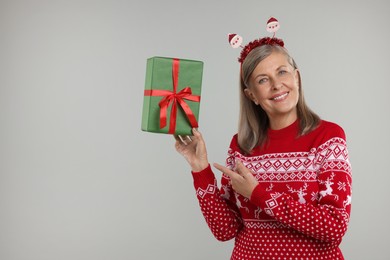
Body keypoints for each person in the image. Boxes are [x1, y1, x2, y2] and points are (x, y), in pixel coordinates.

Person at [175, 31, 352, 259]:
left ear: (296, 77)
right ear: (252, 95)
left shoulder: (328, 137)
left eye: (282, 72)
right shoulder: (241, 146)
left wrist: (259, 194)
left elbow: (334, 227)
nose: (277, 84)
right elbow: (224, 230)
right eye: (263, 79)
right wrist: (200, 169)